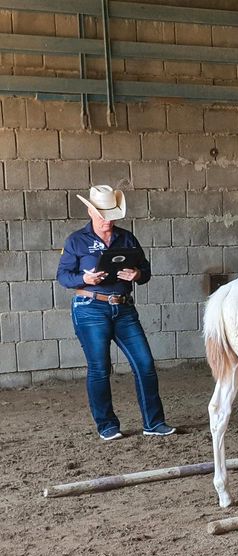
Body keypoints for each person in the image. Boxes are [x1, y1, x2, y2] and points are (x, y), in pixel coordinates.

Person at [57, 185, 176, 440]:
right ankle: (107, 425)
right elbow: (63, 276)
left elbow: (145, 270)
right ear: (90, 211)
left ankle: (153, 423)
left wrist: (137, 274)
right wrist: (85, 279)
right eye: (102, 214)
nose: (107, 220)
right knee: (100, 368)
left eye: (111, 214)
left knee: (144, 363)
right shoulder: (76, 241)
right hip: (90, 308)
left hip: (123, 307)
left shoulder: (127, 238)